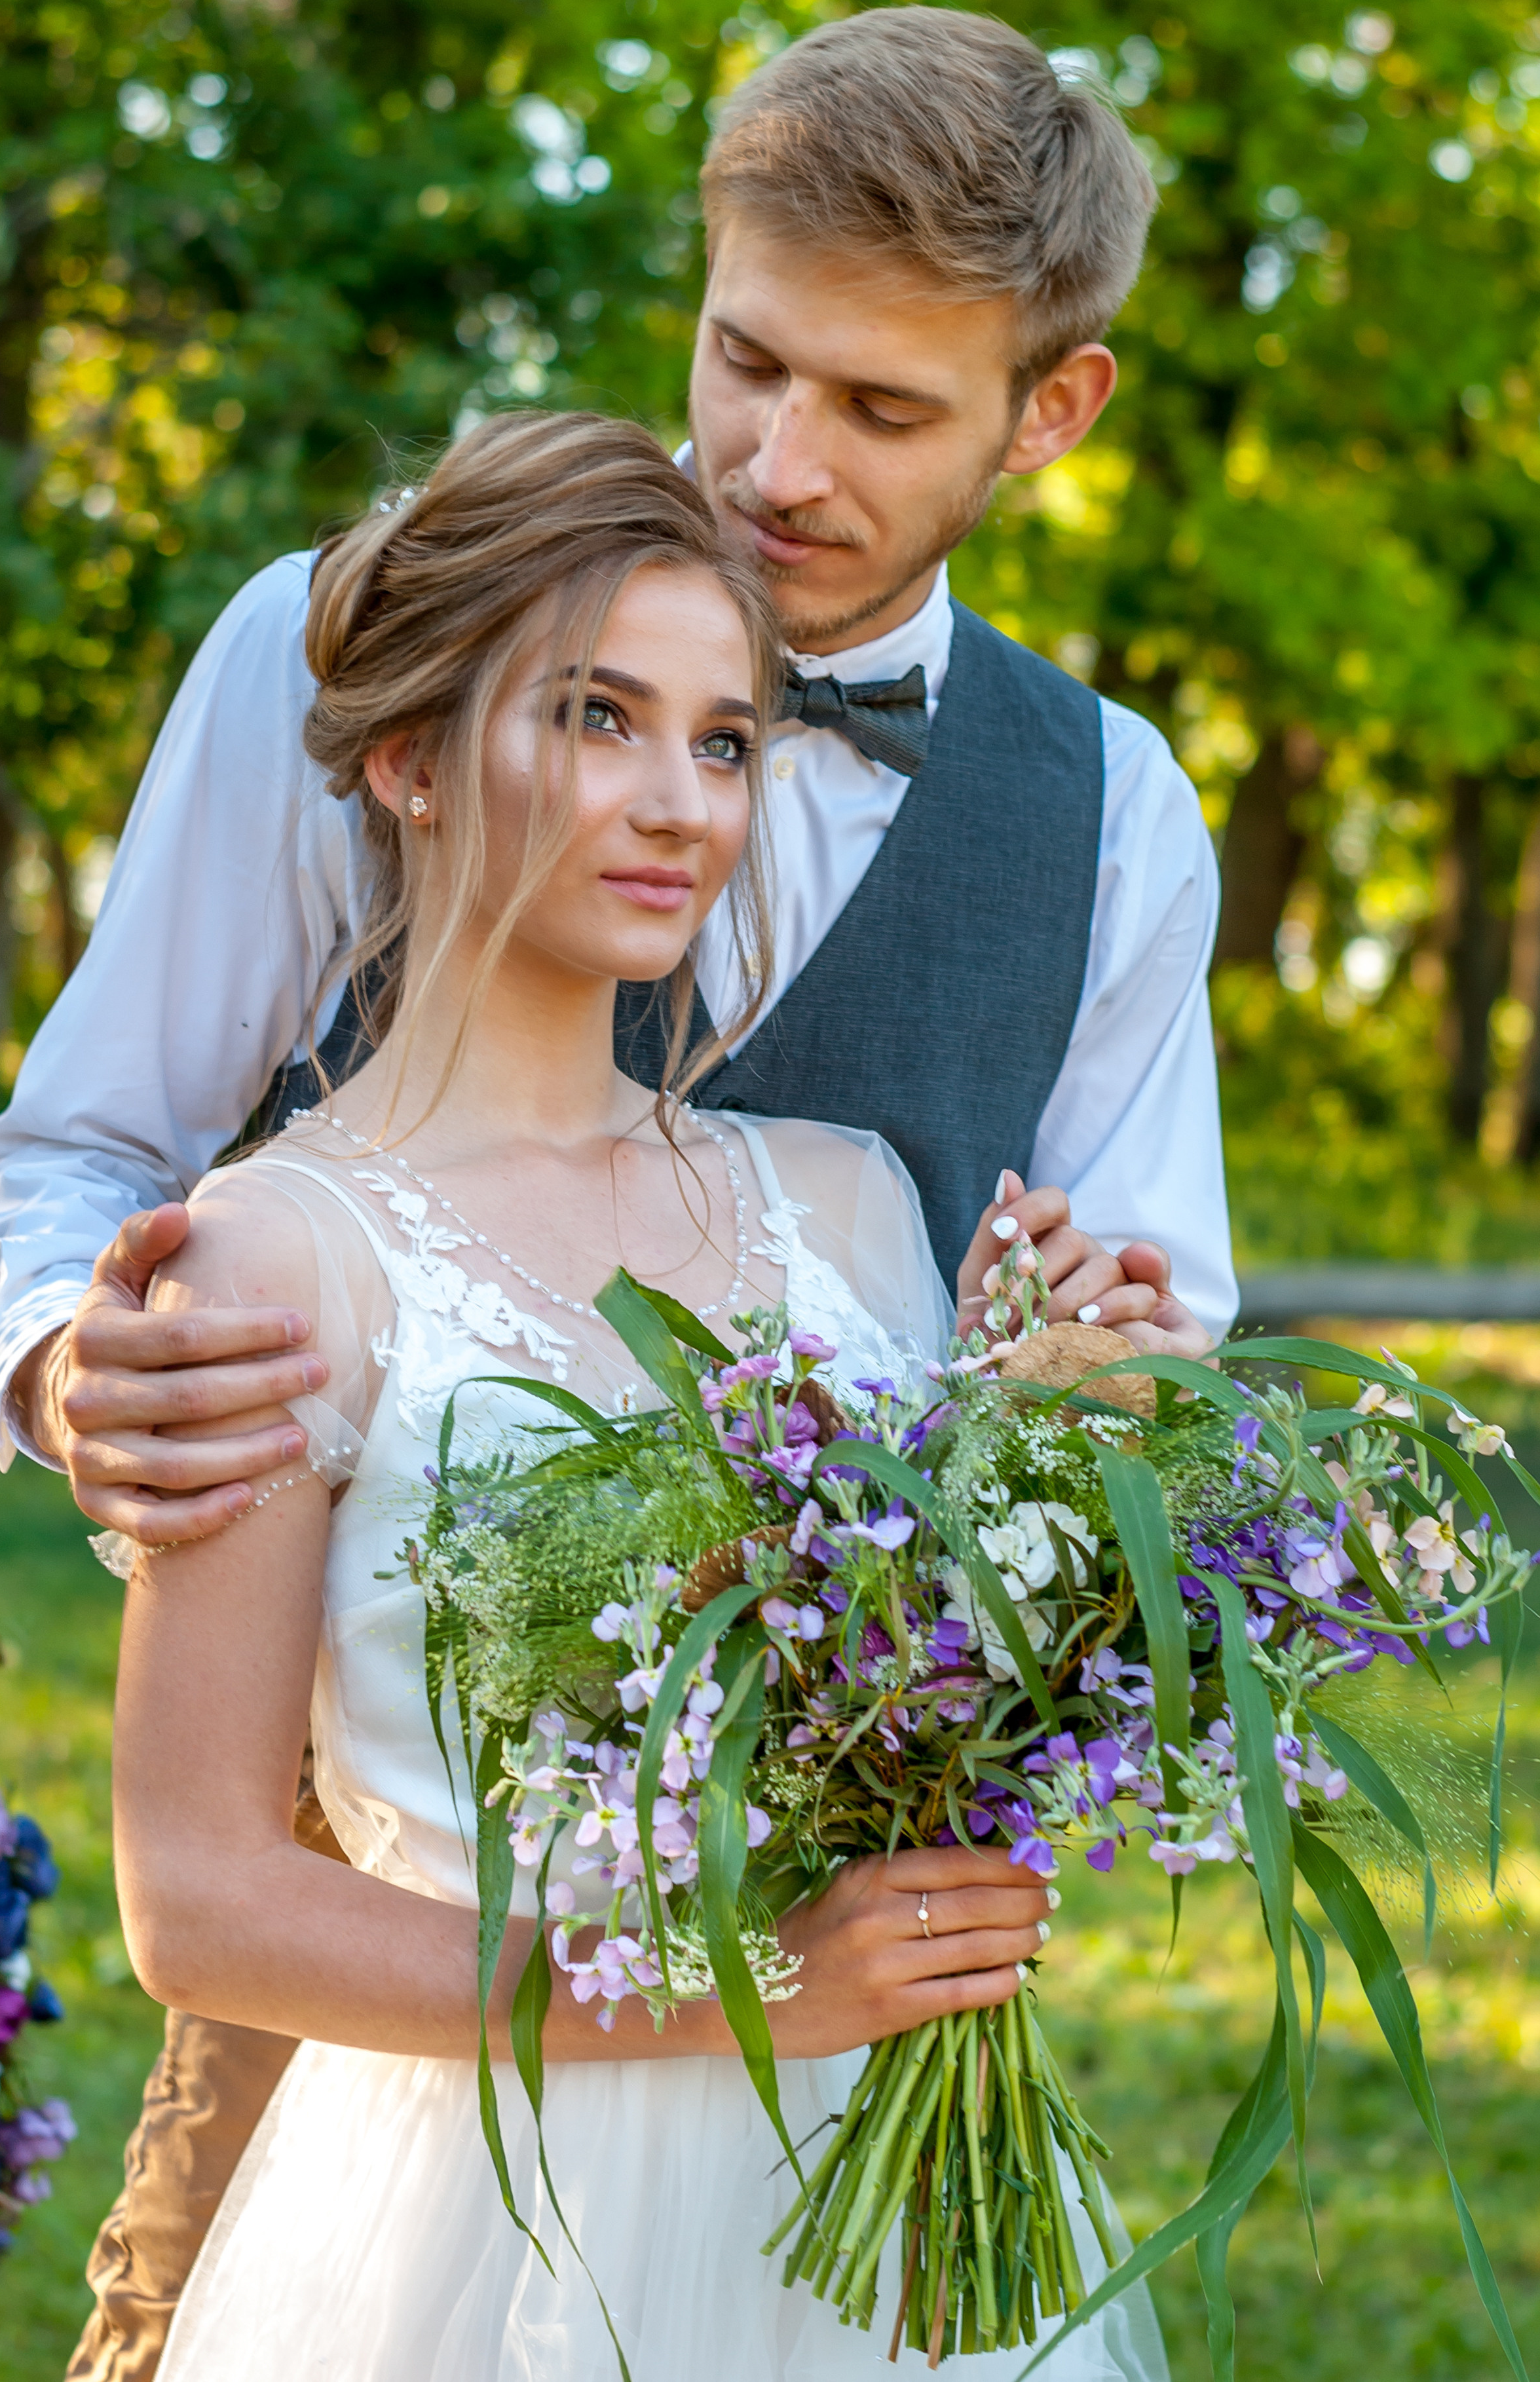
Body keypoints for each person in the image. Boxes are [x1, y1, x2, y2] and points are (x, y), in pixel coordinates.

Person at [0, 12, 1227, 2373]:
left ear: (1048, 412)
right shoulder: (362, 642)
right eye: (742, 358)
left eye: (880, 407)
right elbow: (74, 1154)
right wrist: (70, 1353)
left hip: (854, 2032)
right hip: (383, 1924)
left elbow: (1143, 1381)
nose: (769, 458)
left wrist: (1095, 1395)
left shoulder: (1117, 814)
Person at [115, 404, 1166, 2382]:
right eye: (595, 715)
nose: (678, 797)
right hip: (480, 2224)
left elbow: (941, 1721)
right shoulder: (275, 1256)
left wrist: (1070, 1448)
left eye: (722, 738)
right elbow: (199, 1898)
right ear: (411, 757)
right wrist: (743, 1986)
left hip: (883, 2224)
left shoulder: (849, 1207)